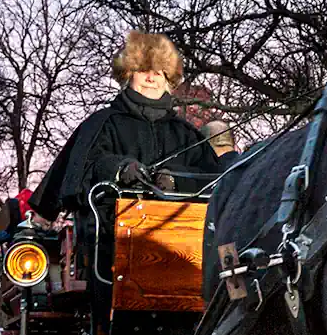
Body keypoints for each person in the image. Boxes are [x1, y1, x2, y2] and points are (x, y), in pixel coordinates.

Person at [29, 30, 224, 220]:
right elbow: (79, 173)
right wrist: (118, 169)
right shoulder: (102, 124)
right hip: (107, 238)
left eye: (158, 73)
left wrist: (176, 179)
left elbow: (215, 181)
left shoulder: (186, 134)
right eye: (143, 70)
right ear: (129, 75)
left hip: (180, 241)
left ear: (167, 80)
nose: (150, 78)